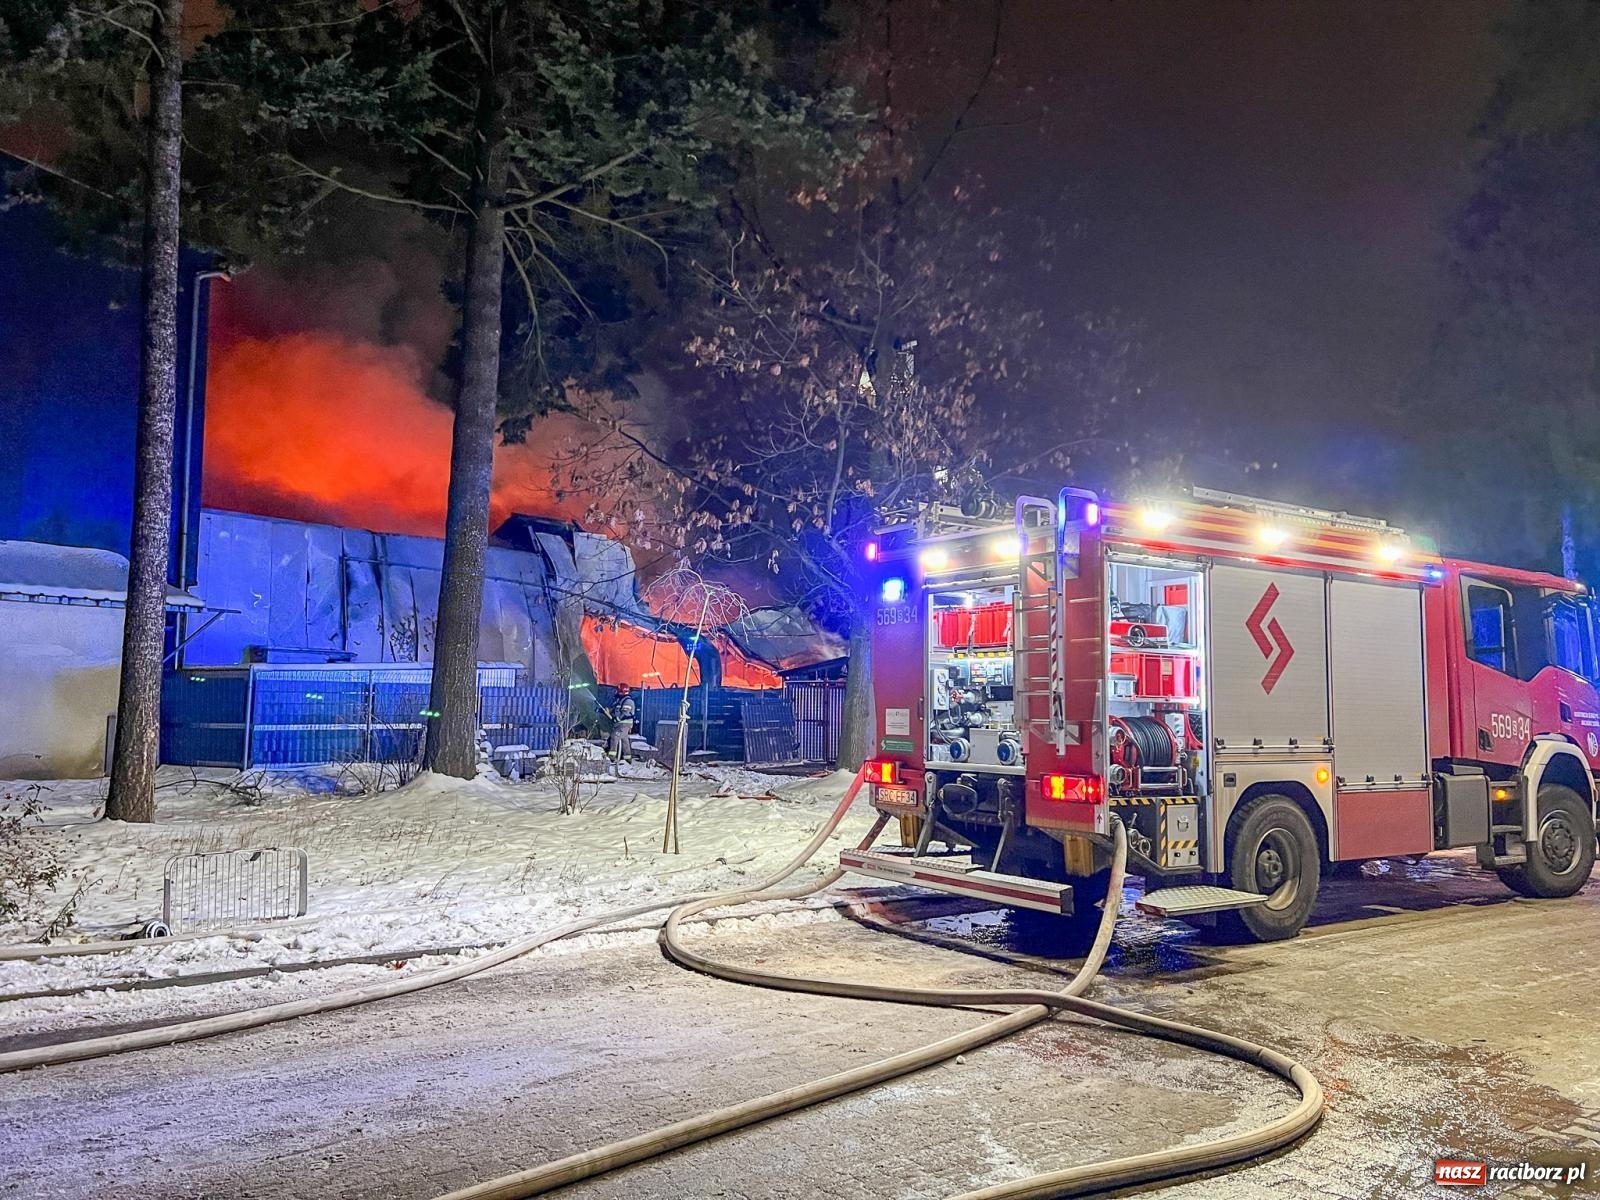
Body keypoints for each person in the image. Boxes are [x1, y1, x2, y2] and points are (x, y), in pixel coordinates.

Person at [609, 683, 637, 762]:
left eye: (618, 690)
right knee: (624, 740)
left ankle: (611, 757)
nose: (616, 692)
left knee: (614, 736)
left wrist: (617, 719)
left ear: (622, 691)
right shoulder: (620, 701)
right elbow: (615, 711)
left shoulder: (628, 701)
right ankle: (627, 758)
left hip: (624, 724)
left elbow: (625, 713)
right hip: (620, 724)